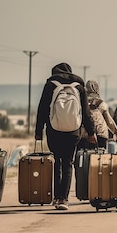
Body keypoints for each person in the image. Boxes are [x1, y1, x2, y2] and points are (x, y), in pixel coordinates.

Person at [35, 62, 96, 210]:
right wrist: (91, 132)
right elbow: (86, 112)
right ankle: (64, 199)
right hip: (73, 130)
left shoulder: (51, 85)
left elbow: (42, 108)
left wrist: (38, 131)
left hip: (53, 130)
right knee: (68, 163)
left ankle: (56, 197)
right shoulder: (79, 87)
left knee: (56, 162)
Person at [82, 79, 117, 149]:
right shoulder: (102, 104)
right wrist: (116, 133)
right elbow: (109, 121)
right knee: (100, 156)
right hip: (100, 134)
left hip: (84, 134)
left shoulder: (81, 103)